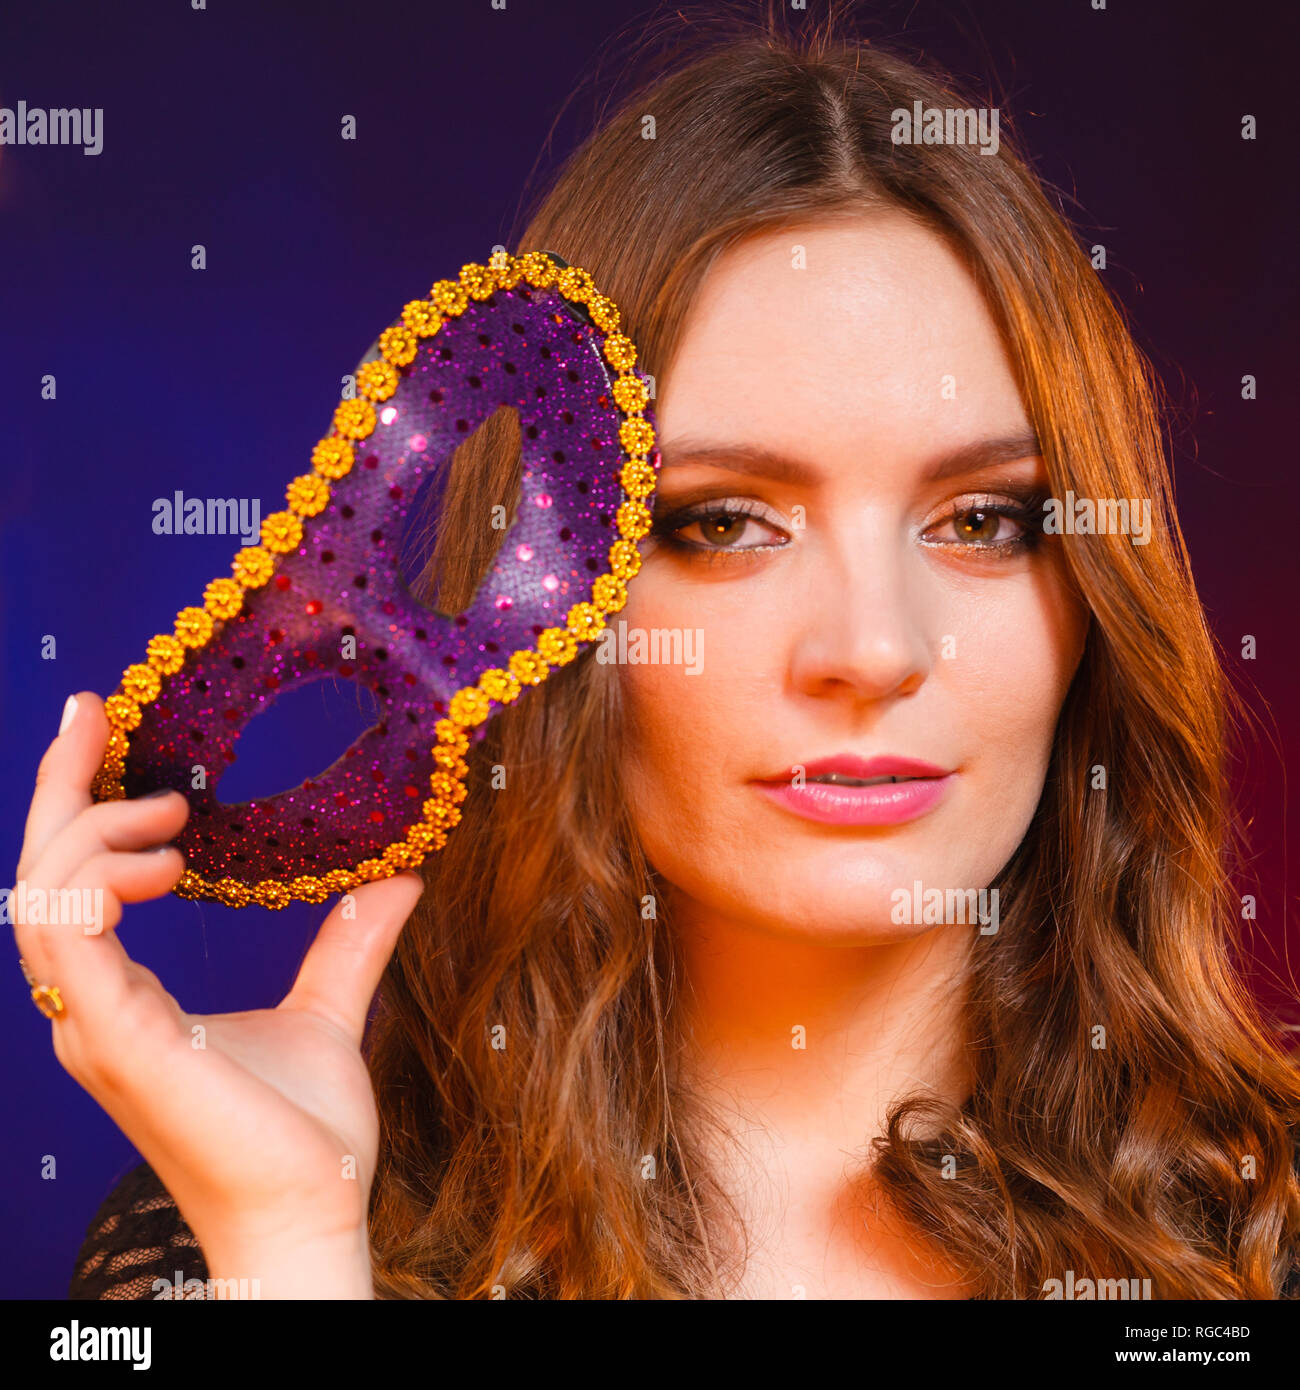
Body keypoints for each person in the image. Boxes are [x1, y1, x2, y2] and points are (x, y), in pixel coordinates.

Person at [21, 8, 1300, 1300]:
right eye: (726, 523)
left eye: (981, 520)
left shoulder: (1270, 1229)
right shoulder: (227, 1235)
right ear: (541, 612)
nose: (871, 647)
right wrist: (294, 1247)